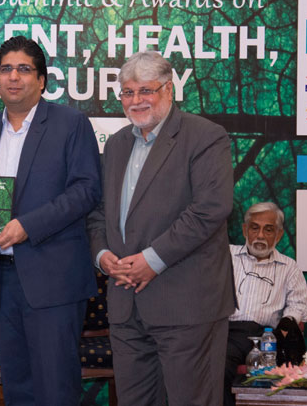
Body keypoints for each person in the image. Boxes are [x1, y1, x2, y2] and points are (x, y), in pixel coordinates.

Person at [87, 50, 235, 406]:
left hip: (187, 306)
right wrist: (102, 255)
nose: (136, 100)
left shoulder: (205, 137)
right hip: (125, 305)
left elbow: (210, 209)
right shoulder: (117, 144)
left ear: (169, 90)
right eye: (128, 92)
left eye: (146, 90)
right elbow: (99, 211)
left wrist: (151, 260)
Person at [0, 36, 102, 405]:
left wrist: (28, 226)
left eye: (24, 69)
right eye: (5, 69)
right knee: (17, 389)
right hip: (3, 282)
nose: (14, 77)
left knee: (56, 390)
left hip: (54, 280)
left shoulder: (71, 124)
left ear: (41, 80)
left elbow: (87, 190)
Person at [224, 202, 307, 406]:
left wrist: (288, 321)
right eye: (254, 228)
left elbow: (300, 305)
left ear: (279, 235)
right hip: (226, 331)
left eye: (268, 229)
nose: (260, 235)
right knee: (217, 366)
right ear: (245, 230)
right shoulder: (226, 256)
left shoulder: (289, 267)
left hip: (267, 336)